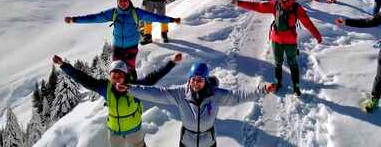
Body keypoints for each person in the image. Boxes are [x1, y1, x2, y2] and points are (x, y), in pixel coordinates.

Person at [118, 62, 277, 147]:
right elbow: (156, 93)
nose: (195, 83)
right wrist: (131, 89)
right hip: (186, 141)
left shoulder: (215, 95)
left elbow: (238, 96)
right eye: (193, 79)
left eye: (199, 80)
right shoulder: (181, 93)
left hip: (209, 142)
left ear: (206, 80)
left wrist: (262, 90)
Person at [52, 52, 183, 147]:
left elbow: (153, 77)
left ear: (126, 76)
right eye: (114, 75)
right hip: (114, 132)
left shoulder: (135, 87)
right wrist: (64, 65)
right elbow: (83, 78)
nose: (117, 78)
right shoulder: (105, 87)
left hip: (134, 130)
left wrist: (172, 63)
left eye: (120, 75)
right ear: (110, 77)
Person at [64, 0, 181, 79]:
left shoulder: (136, 12)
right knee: (115, 69)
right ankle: (114, 92)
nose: (123, 3)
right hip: (118, 47)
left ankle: (134, 88)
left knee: (129, 68)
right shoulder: (113, 13)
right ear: (117, 2)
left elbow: (155, 17)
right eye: (121, 1)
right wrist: (74, 19)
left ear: (129, 1)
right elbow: (94, 18)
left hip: (131, 46)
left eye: (125, 1)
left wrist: (171, 20)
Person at [230, 0, 322, 96]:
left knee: (293, 63)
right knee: (278, 63)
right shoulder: (275, 5)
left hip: (290, 42)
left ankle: (296, 87)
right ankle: (278, 83)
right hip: (276, 40)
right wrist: (239, 3)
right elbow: (258, 6)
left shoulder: (297, 8)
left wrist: (317, 36)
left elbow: (308, 24)